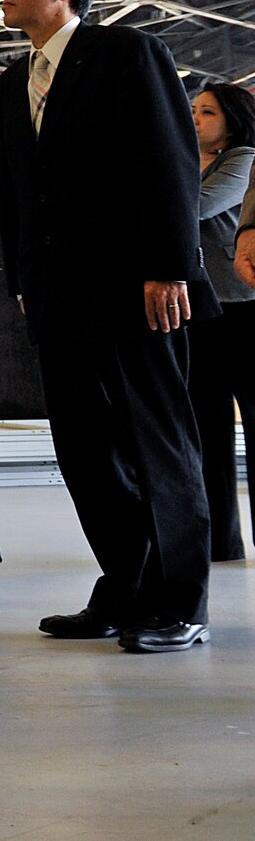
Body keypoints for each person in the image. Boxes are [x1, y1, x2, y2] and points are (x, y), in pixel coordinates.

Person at [0, 0, 218, 653]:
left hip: (137, 289)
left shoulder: (127, 56)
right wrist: (22, 281)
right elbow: (19, 195)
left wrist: (169, 266)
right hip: (56, 298)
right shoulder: (9, 82)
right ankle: (124, 587)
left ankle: (180, 601)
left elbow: (169, 164)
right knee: (85, 451)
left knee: (160, 445)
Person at [188, 82, 255, 561]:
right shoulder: (187, 161)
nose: (195, 119)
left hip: (246, 309)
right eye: (193, 110)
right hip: (202, 309)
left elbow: (194, 209)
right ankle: (220, 541)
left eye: (208, 112)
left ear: (232, 121)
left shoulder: (245, 159)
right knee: (206, 427)